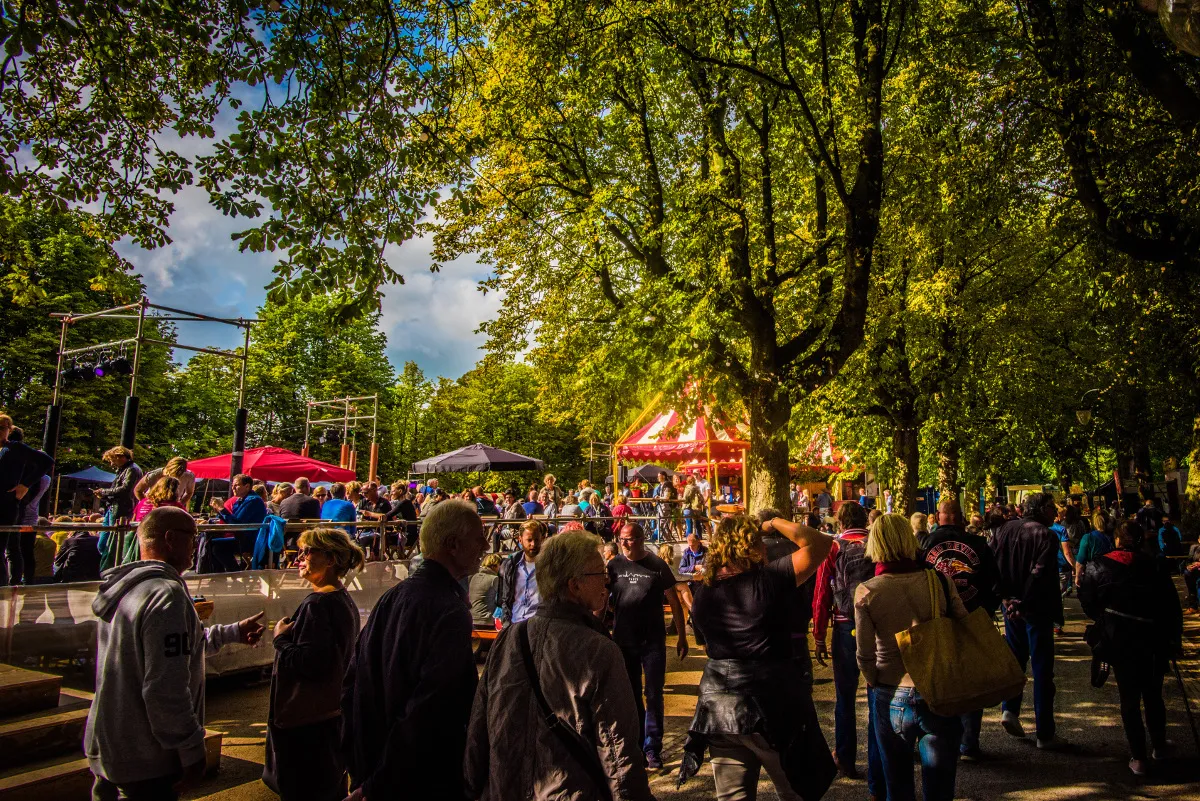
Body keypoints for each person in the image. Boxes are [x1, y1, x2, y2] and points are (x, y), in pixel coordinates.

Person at [85, 507, 265, 801]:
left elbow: (165, 651)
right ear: (170, 539)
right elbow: (164, 685)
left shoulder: (128, 589)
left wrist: (231, 632)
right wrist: (191, 747)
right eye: (193, 537)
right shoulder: (166, 594)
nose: (197, 545)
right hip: (146, 756)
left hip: (110, 743)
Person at [465, 529, 654, 800]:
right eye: (599, 573)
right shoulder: (599, 650)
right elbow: (617, 752)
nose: (607, 581)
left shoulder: (509, 638)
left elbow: (478, 731)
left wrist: (473, 787)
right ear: (574, 585)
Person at [341, 500, 487, 801]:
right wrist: (379, 781)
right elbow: (432, 709)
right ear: (453, 545)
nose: (485, 545)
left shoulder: (393, 596)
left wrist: (362, 766)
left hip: (378, 767)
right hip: (417, 778)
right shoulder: (449, 610)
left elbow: (353, 684)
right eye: (478, 538)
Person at [680, 514, 833, 801]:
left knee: (732, 797)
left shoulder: (704, 593)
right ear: (750, 544)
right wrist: (774, 522)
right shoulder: (770, 579)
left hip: (719, 710)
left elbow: (705, 643)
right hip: (769, 705)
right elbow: (821, 543)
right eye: (759, 541)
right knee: (795, 793)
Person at [856, 513, 969, 801]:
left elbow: (865, 654)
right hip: (937, 686)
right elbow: (963, 623)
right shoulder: (939, 581)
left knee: (897, 784)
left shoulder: (868, 591)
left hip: (891, 690)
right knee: (941, 787)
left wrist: (873, 680)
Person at [264, 527, 363, 801]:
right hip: (330, 717)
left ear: (330, 559)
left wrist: (280, 640)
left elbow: (312, 663)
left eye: (307, 552)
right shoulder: (342, 600)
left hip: (307, 726)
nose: (299, 558)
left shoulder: (318, 604)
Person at [1079, 519, 1183, 776]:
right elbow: (1171, 607)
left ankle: (1139, 756)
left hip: (1119, 639)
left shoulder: (1098, 565)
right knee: (1152, 693)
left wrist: (1104, 620)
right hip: (1153, 637)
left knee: (1129, 696)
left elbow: (1088, 602)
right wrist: (1174, 640)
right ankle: (1158, 746)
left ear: (1117, 539)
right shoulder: (1155, 565)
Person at [920, 499, 1000, 760]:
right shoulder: (979, 544)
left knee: (937, 679)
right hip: (971, 617)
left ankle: (937, 741)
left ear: (939, 516)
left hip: (936, 619)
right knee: (971, 681)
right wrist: (984, 611)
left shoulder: (925, 544)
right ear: (961, 517)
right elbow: (994, 582)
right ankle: (969, 743)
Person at [608, 521, 688, 769]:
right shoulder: (614, 565)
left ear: (642, 539)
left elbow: (674, 600)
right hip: (623, 640)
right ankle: (636, 744)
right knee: (630, 695)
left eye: (630, 539)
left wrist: (682, 635)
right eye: (622, 539)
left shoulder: (657, 565)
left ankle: (653, 747)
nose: (625, 544)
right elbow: (603, 598)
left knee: (653, 694)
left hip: (652, 641)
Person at [991, 491, 1067, 749]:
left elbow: (993, 566)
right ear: (1040, 509)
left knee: (1015, 659)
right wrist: (1022, 602)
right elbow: (1040, 573)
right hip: (1036, 609)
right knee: (1043, 670)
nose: (1055, 513)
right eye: (1050, 507)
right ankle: (1045, 732)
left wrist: (1005, 599)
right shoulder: (1046, 535)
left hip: (1011, 606)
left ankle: (1009, 710)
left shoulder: (1004, 530)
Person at [811, 500, 875, 780]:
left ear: (840, 522)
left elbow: (822, 593)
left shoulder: (833, 547)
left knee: (845, 697)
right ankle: (879, 757)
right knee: (878, 695)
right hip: (876, 626)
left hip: (844, 624)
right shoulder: (877, 543)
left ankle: (846, 757)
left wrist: (819, 636)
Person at [496, 519, 546, 626]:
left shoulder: (548, 566)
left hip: (538, 624)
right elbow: (506, 598)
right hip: (514, 622)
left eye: (537, 540)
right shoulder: (511, 565)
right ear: (520, 540)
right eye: (529, 540)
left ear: (542, 540)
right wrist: (506, 623)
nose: (533, 544)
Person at [92, 445, 142, 522]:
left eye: (113, 460)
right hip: (114, 507)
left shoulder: (132, 469)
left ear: (121, 457)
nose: (112, 464)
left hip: (121, 509)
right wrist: (104, 495)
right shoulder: (125, 469)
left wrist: (103, 492)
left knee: (113, 532)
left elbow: (125, 489)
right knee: (105, 532)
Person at [470, 553, 503, 629]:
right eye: (499, 566)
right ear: (494, 565)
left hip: (472, 619)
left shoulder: (474, 577)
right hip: (486, 620)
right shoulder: (494, 579)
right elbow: (501, 600)